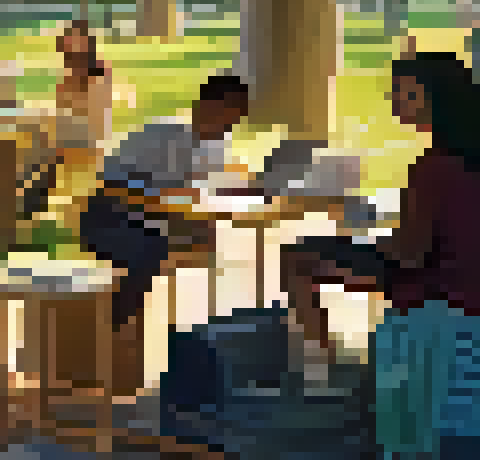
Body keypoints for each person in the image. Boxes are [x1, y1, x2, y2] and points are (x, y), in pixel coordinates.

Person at [281, 49, 480, 399]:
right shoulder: (460, 155)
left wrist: (368, 233)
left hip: (436, 283)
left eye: (407, 93)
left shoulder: (433, 167)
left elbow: (410, 255)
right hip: (457, 271)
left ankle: (320, 379)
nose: (396, 101)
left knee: (297, 259)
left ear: (437, 99)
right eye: (395, 91)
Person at [79, 72, 260, 377]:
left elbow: (206, 189)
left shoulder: (216, 147)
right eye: (225, 118)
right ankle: (113, 328)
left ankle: (210, 336)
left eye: (234, 122)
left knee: (210, 241)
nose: (227, 128)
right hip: (108, 217)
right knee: (151, 250)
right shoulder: (159, 134)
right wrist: (160, 194)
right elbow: (111, 181)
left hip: (155, 219)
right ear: (204, 107)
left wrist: (239, 191)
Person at [15, 21, 134, 218]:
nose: (70, 47)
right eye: (68, 42)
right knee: (37, 139)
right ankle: (29, 196)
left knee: (41, 133)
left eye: (76, 41)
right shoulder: (68, 74)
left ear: (87, 44)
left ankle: (31, 197)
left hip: (90, 136)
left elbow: (92, 118)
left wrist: (54, 121)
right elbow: (63, 109)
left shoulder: (98, 70)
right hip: (67, 135)